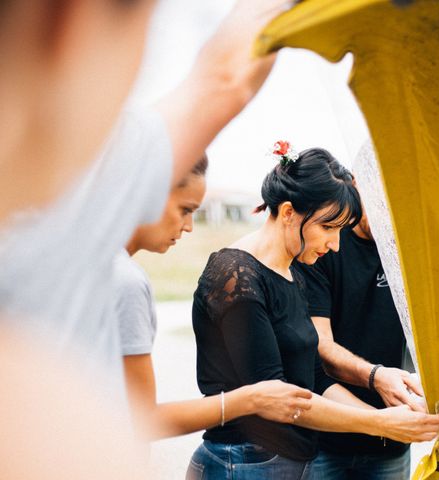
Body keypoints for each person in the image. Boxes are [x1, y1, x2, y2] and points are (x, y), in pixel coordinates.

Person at [0, 1, 292, 477]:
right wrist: (247, 400)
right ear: (68, 20)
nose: (188, 226)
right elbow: (226, 79)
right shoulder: (92, 191)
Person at [187, 146, 439, 480]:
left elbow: (315, 377)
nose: (335, 245)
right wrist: (380, 422)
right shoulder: (235, 276)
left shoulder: (292, 273)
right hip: (243, 463)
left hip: (289, 464)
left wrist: (385, 424)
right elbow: (277, 397)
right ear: (290, 212)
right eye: (328, 228)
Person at [116, 154, 313, 440]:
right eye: (185, 209)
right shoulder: (126, 281)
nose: (189, 226)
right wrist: (250, 399)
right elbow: (143, 419)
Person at [295, 195, 420, 479]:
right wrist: (376, 377)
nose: (390, 215)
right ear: (356, 184)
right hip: (326, 439)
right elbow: (321, 346)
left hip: (392, 442)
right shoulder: (325, 246)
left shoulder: (412, 248)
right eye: (381, 199)